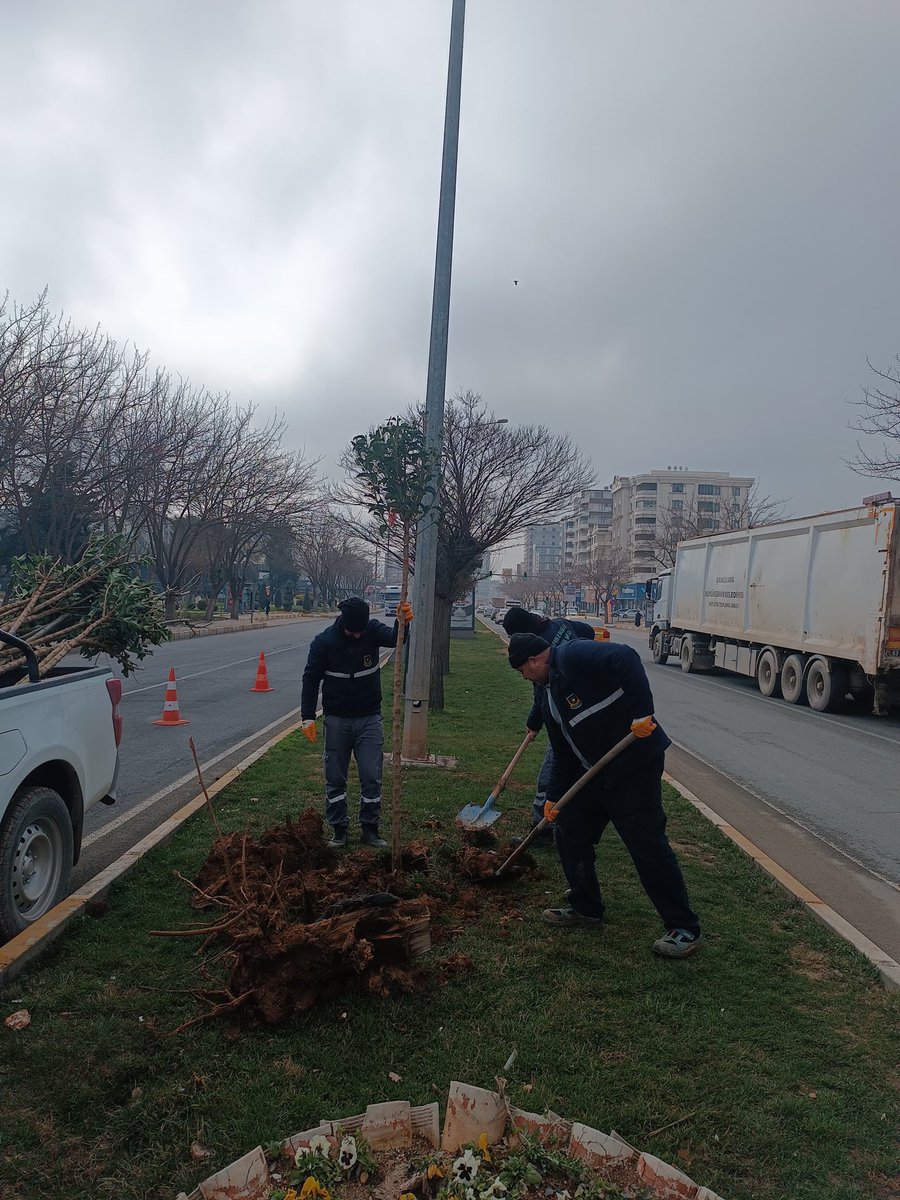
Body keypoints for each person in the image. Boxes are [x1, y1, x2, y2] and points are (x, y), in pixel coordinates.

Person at [507, 631, 702, 958]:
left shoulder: (570, 656)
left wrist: (643, 713)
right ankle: (586, 907)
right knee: (569, 833)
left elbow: (624, 657)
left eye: (522, 669)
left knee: (647, 846)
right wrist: (554, 797)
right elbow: (561, 751)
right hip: (593, 772)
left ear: (535, 660)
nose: (522, 675)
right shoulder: (545, 692)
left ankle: (684, 929)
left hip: (633, 768)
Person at [300, 596, 412, 849]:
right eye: (354, 631)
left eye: (362, 630)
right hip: (337, 720)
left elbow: (398, 639)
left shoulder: (371, 631)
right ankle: (339, 829)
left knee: (372, 776)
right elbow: (310, 679)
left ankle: (370, 829)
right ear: (344, 624)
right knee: (335, 778)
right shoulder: (324, 642)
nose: (358, 635)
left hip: (369, 718)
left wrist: (403, 623)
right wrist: (307, 717)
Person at [501, 607, 596, 848]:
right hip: (582, 706)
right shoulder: (560, 624)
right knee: (573, 770)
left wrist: (534, 722)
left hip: (569, 711)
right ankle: (566, 824)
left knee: (553, 770)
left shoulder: (540, 652)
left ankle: (544, 828)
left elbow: (542, 695)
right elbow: (589, 632)